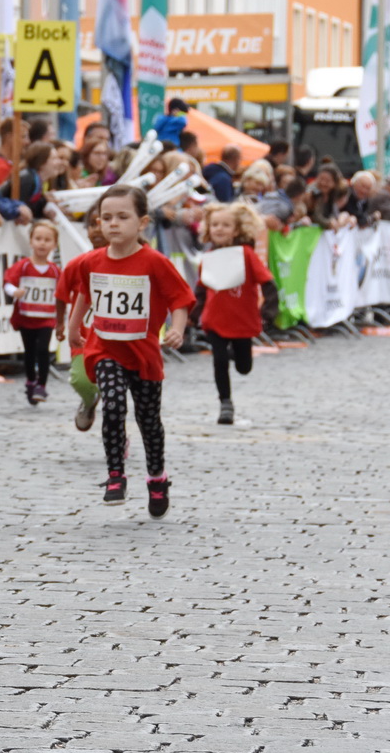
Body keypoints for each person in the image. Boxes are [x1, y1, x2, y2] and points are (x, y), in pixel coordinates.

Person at [60, 184, 193, 516]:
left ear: (142, 222)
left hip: (144, 354)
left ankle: (157, 478)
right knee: (114, 404)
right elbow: (83, 292)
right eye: (106, 218)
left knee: (149, 420)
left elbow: (181, 299)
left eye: (122, 217)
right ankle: (115, 474)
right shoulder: (90, 262)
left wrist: (177, 329)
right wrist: (74, 326)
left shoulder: (154, 262)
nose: (113, 224)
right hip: (104, 348)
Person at [196, 202, 273, 425]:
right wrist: (194, 314)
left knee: (244, 367)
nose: (219, 229)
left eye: (226, 225)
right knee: (218, 360)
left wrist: (269, 309)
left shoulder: (246, 254)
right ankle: (225, 404)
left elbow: (266, 280)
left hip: (241, 320)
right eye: (215, 225)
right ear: (208, 229)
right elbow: (201, 288)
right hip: (214, 319)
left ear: (237, 230)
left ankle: (235, 354)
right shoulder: (208, 258)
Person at [5, 220, 61, 405]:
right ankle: (30, 380)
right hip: (26, 317)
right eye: (38, 238)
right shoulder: (23, 266)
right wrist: (15, 292)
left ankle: (42, 386)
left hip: (46, 317)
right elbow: (7, 283)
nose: (42, 243)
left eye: (47, 239)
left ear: (54, 244)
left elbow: (63, 292)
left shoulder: (55, 270)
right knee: (29, 351)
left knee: (42, 349)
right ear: (31, 241)